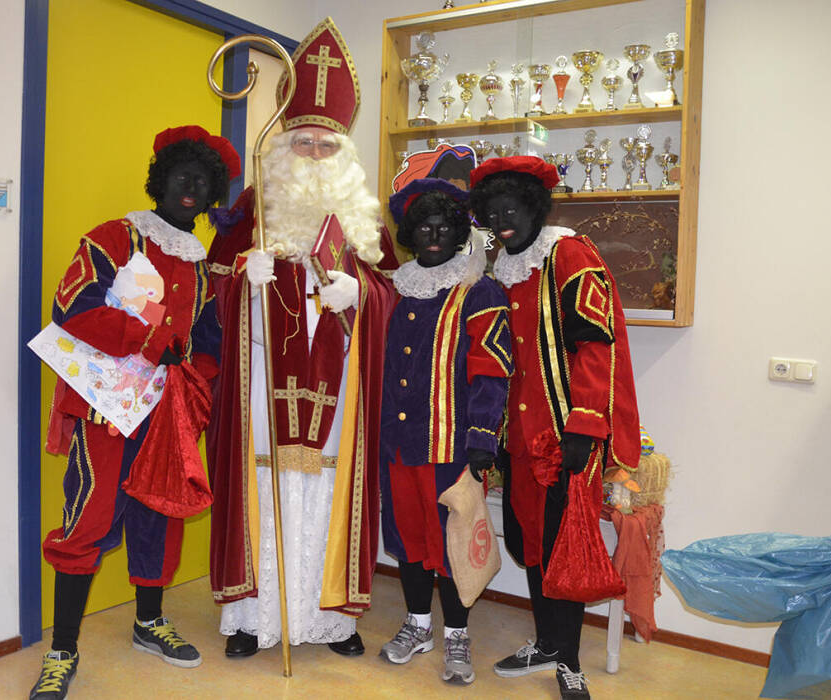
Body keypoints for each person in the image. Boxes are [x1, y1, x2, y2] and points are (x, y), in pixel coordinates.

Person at [206, 17, 396, 659]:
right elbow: (210, 295)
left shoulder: (366, 222)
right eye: (304, 142)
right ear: (284, 144)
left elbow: (394, 297)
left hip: (339, 382)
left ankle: (331, 619)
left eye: (326, 146)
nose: (314, 155)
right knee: (264, 486)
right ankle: (252, 619)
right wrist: (242, 279)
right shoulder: (252, 211)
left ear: (344, 154)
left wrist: (361, 294)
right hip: (263, 381)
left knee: (329, 486)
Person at [30, 125, 238, 700]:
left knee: (158, 515)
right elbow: (72, 307)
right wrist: (145, 340)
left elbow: (209, 342)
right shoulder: (114, 238)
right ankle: (62, 650)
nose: (191, 187)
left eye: (204, 180)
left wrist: (196, 380)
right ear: (159, 180)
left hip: (165, 416)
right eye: (181, 174)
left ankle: (149, 622)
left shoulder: (202, 267)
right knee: (88, 519)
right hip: (105, 410)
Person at [469, 156, 640, 700]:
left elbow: (596, 344)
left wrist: (584, 426)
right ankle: (547, 643)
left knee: (564, 548)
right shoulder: (504, 267)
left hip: (564, 437)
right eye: (493, 214)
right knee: (533, 545)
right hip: (519, 440)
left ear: (536, 207)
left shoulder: (568, 255)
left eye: (512, 210)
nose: (503, 222)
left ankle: (569, 662)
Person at [377, 178, 511, 685]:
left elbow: (492, 370)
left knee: (453, 542)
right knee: (409, 539)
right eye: (423, 227)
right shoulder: (396, 288)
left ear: (459, 234)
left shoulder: (479, 290)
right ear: (410, 234)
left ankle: (457, 634)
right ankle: (418, 625)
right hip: (398, 443)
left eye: (443, 227)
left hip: (450, 446)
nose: (433, 235)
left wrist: (482, 439)